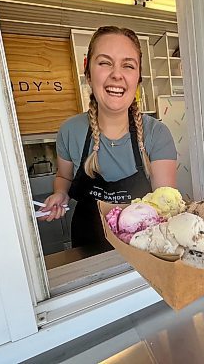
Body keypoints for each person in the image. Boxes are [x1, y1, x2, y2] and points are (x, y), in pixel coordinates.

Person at [40, 26, 177, 250]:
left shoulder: (156, 134)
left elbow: (165, 204)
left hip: (143, 248)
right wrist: (60, 193)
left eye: (128, 65)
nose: (117, 74)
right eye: (104, 63)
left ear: (138, 78)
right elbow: (63, 177)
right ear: (88, 73)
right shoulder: (69, 131)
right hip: (86, 244)